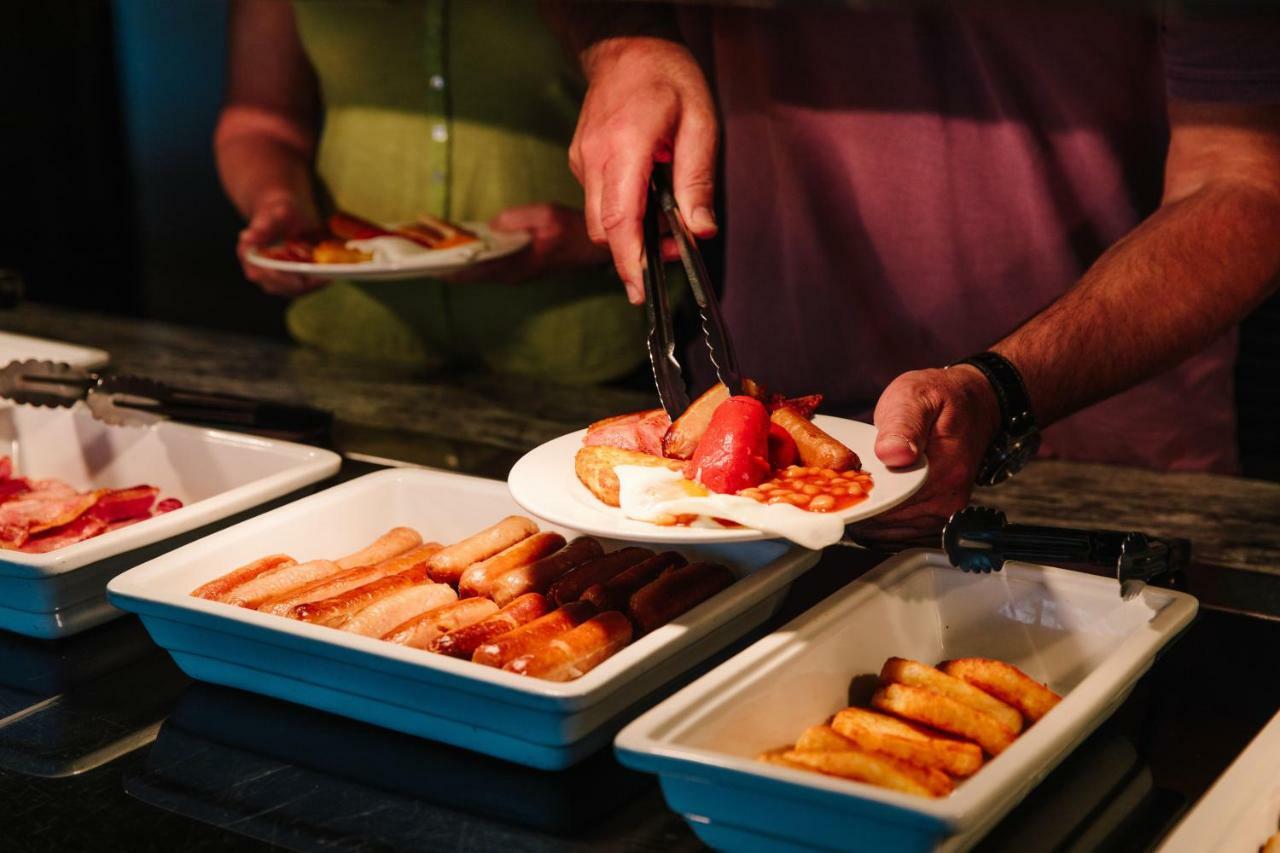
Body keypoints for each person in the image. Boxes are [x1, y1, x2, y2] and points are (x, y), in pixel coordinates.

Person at [549, 3, 1280, 542]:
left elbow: (1245, 184)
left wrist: (1001, 389)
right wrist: (622, 37)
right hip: (766, 455)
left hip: (1091, 448)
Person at [215, 0, 648, 385]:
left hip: (577, 339)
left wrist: (594, 237)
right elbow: (261, 119)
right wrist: (276, 201)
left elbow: (675, 118)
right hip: (352, 342)